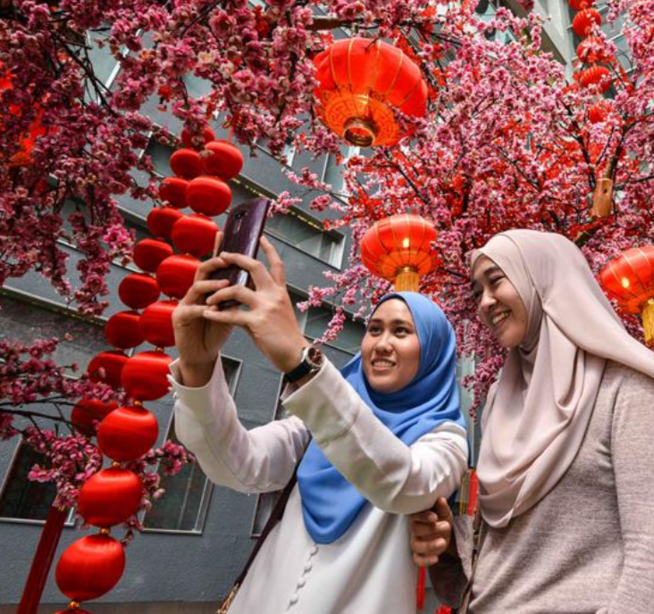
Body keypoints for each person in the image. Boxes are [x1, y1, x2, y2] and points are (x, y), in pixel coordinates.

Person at [170, 236, 468, 614]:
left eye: (402, 332)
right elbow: (238, 462)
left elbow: (404, 483)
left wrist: (301, 361)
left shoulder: (444, 438)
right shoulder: (314, 422)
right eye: (374, 329)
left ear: (434, 354)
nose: (381, 344)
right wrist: (198, 367)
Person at [409, 229, 654, 614]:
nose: (485, 303)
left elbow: (652, 567)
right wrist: (445, 547)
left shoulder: (632, 392)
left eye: (496, 282)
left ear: (543, 278)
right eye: (477, 293)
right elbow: (495, 560)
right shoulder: (499, 401)